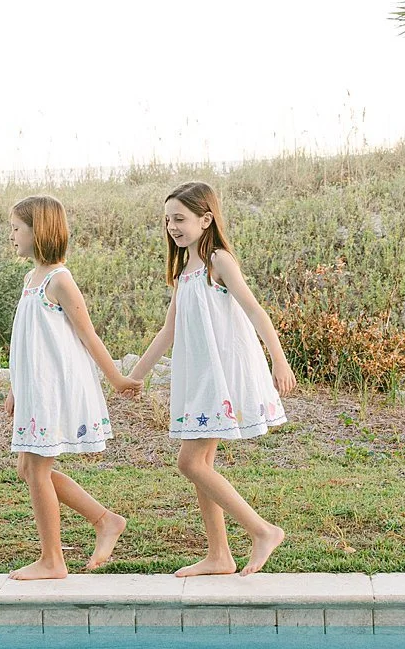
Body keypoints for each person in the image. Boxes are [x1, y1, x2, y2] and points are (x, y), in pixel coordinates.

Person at [126, 181, 296, 577]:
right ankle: (219, 554)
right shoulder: (185, 269)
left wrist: (279, 360)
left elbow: (255, 311)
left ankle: (263, 530)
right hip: (199, 377)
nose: (172, 226)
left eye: (180, 218)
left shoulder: (219, 261)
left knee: (190, 462)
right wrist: (135, 376)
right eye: (168, 219)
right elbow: (168, 331)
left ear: (206, 219)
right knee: (201, 461)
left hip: (221, 376)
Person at [6, 194, 138, 580]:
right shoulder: (31, 279)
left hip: (54, 389)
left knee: (37, 470)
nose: (11, 236)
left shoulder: (59, 279)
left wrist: (115, 377)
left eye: (16, 228)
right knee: (28, 470)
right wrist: (16, 387)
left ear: (39, 230)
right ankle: (105, 519)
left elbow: (87, 333)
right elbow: (26, 340)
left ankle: (52, 560)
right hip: (34, 388)